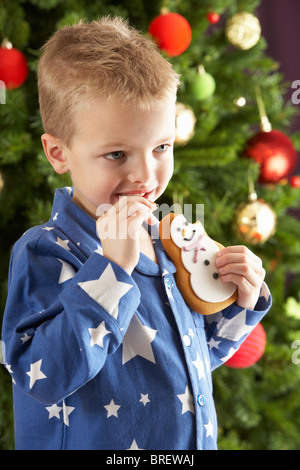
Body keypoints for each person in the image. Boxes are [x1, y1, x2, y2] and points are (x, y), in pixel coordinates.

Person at [2, 17, 271, 450]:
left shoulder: (165, 240)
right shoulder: (46, 250)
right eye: (116, 153)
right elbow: (42, 374)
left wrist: (240, 301)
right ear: (58, 153)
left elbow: (190, 361)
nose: (146, 175)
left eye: (161, 147)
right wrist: (111, 269)